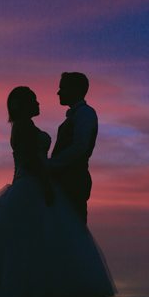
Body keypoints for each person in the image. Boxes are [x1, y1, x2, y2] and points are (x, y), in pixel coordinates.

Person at [0, 86, 115, 297]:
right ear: (24, 105)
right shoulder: (23, 127)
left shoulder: (26, 126)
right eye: (34, 100)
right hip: (32, 184)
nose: (39, 103)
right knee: (28, 239)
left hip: (29, 184)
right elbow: (31, 161)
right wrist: (46, 186)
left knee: (34, 239)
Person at [45, 72, 96, 224]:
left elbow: (80, 147)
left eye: (62, 88)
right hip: (66, 181)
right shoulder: (76, 115)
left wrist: (51, 164)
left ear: (74, 89)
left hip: (74, 182)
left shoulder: (85, 113)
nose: (58, 92)